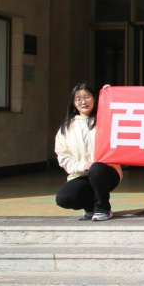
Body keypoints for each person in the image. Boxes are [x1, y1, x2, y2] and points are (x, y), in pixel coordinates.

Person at [55, 83, 122, 221]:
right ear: (74, 103)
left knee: (96, 169)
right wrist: (83, 166)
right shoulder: (66, 128)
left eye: (86, 97)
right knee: (64, 198)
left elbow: (120, 113)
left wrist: (110, 95)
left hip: (106, 172)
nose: (83, 101)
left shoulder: (105, 119)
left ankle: (104, 209)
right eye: (78, 99)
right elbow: (63, 156)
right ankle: (90, 207)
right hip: (81, 173)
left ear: (94, 98)